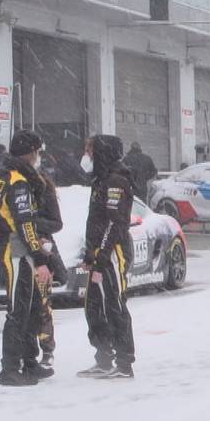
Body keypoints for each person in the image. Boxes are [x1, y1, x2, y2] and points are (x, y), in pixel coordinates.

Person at [0, 130, 52, 387]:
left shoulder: (5, 176)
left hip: (16, 248)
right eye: (37, 152)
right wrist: (39, 256)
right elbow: (24, 223)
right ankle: (10, 369)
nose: (38, 157)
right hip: (14, 251)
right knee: (18, 311)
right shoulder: (17, 182)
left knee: (33, 307)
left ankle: (30, 362)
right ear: (30, 153)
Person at [78, 135, 137, 380]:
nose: (87, 156)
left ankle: (124, 363)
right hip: (98, 254)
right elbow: (96, 222)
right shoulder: (100, 180)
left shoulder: (116, 181)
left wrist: (102, 257)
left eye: (91, 151)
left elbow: (115, 224)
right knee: (94, 307)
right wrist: (89, 254)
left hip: (112, 254)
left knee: (114, 306)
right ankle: (103, 358)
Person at [35, 170, 67, 369]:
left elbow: (57, 223)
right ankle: (27, 351)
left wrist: (31, 222)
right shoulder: (15, 188)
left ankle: (47, 350)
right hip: (21, 251)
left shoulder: (45, 189)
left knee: (43, 305)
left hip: (43, 249)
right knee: (25, 306)